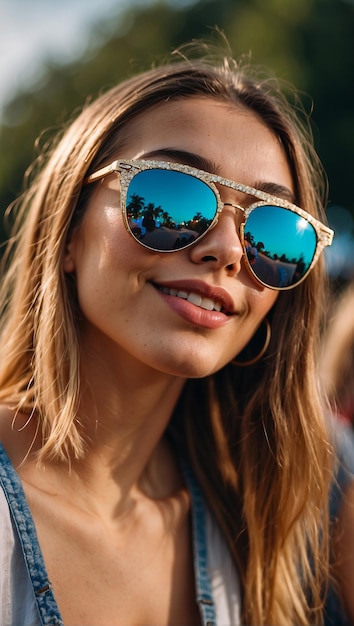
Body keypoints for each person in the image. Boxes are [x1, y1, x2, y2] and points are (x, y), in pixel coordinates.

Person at [0, 42, 352, 626]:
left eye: (274, 233)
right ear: (69, 231)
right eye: (172, 195)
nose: (228, 250)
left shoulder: (272, 511)